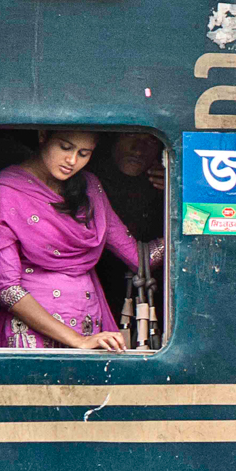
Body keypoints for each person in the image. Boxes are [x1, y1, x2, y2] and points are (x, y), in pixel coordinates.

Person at [0, 130, 165, 352]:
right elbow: (6, 289)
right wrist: (77, 341)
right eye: (65, 148)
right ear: (43, 137)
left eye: (84, 153)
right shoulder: (5, 192)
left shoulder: (89, 187)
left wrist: (186, 214)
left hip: (90, 327)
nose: (72, 161)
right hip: (32, 338)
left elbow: (138, 258)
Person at [92, 132, 167, 338]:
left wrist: (175, 189)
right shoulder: (88, 183)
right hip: (97, 289)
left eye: (151, 140)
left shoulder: (163, 183)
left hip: (153, 291)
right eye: (130, 135)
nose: (138, 148)